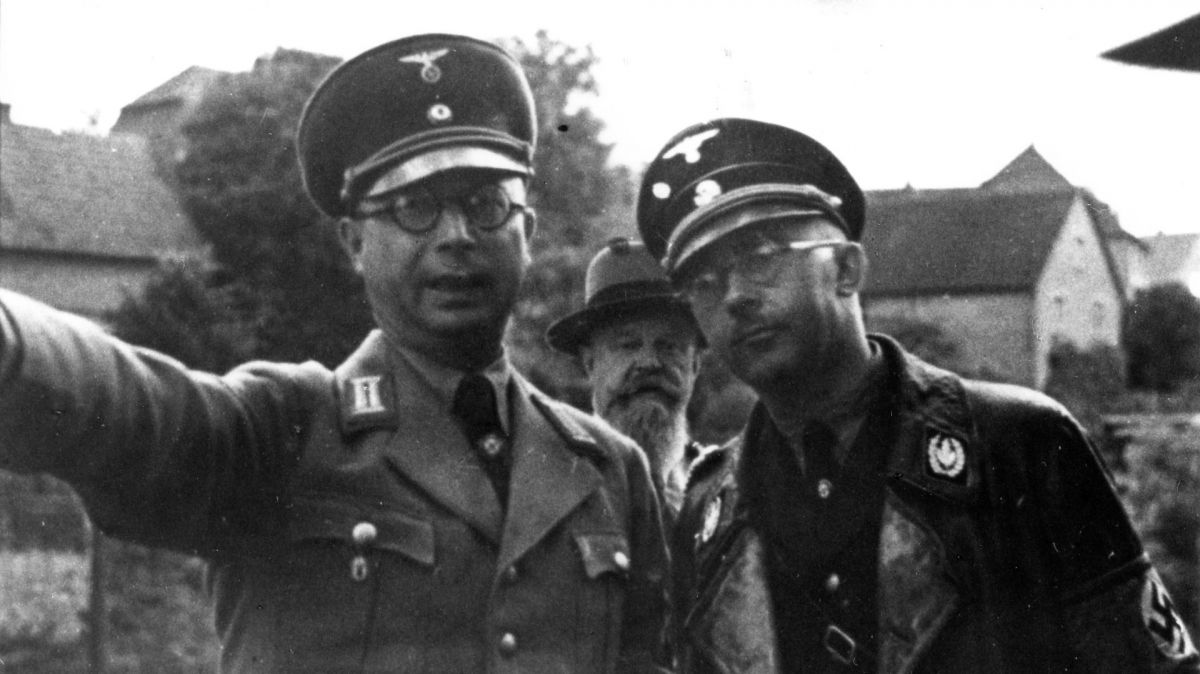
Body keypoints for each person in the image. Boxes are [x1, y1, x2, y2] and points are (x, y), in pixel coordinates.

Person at [0, 34, 668, 673]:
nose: (457, 236)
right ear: (353, 241)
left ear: (527, 228)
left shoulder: (611, 473)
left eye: (485, 203)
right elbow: (143, 410)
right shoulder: (284, 428)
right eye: (414, 208)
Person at [636, 117, 1199, 673]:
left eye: (761, 256)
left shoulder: (1015, 443)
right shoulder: (708, 510)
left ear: (848, 271)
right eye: (703, 283)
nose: (733, 296)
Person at [546, 237, 707, 517]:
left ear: (695, 364)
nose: (649, 363)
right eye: (628, 345)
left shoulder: (724, 490)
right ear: (590, 363)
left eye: (669, 346)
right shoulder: (553, 484)